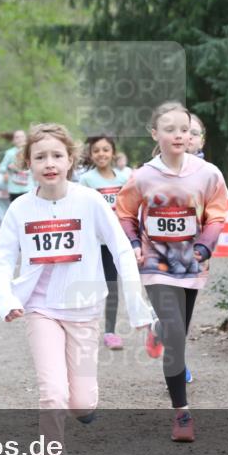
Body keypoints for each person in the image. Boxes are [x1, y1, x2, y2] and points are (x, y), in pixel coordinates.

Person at [0, 123, 154, 455]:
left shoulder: (89, 201)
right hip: (40, 309)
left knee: (80, 401)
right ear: (27, 164)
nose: (49, 163)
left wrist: (138, 309)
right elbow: (1, 262)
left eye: (57, 156)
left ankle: (84, 408)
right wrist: (8, 300)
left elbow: (120, 249)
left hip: (84, 310)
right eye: (40, 157)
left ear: (71, 160)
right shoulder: (19, 209)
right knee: (52, 394)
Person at [115, 101, 227, 443]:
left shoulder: (209, 174)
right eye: (170, 129)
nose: (179, 135)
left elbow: (217, 213)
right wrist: (134, 242)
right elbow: (123, 212)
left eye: (184, 129)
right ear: (155, 134)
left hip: (192, 264)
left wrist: (205, 246)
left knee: (178, 329)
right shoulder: (144, 175)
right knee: (176, 334)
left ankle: (159, 330)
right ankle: (182, 412)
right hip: (155, 263)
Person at [78, 135, 129, 350]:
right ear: (91, 154)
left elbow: (128, 210)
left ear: (113, 153)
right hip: (92, 243)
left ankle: (109, 331)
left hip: (113, 242)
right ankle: (83, 329)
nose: (101, 154)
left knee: (112, 286)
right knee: (90, 286)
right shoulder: (87, 181)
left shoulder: (124, 179)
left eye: (106, 150)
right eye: (97, 150)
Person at [0, 129, 32, 201]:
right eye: (17, 137)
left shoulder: (31, 151)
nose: (20, 139)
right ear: (13, 140)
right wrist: (8, 168)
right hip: (14, 189)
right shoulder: (9, 153)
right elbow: (1, 168)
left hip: (29, 188)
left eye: (22, 136)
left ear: (26, 138)